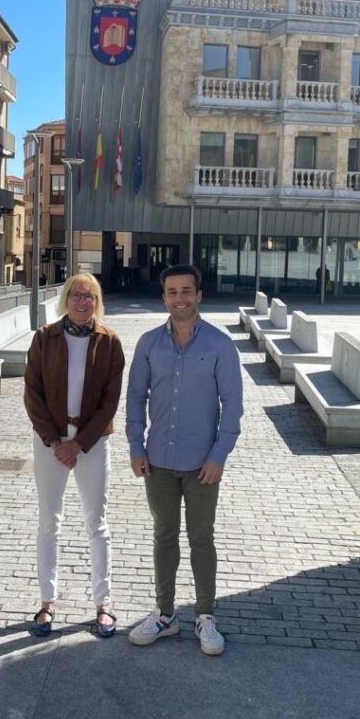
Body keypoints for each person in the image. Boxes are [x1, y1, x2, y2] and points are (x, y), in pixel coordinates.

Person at [126, 264, 243, 655]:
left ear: (199, 295)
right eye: (172, 292)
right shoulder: (148, 344)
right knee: (164, 535)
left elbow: (233, 405)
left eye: (186, 291)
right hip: (157, 460)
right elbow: (135, 397)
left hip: (202, 464)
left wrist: (219, 455)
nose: (180, 298)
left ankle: (205, 616)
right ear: (164, 298)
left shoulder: (220, 345)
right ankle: (165, 615)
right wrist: (136, 446)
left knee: (201, 538)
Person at [24, 272, 124, 638]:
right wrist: (55, 442)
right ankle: (47, 602)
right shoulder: (44, 338)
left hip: (92, 444)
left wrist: (79, 443)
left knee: (97, 523)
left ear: (98, 303)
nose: (83, 302)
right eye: (77, 295)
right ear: (66, 298)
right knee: (49, 522)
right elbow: (32, 394)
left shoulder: (109, 342)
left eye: (90, 296)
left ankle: (103, 603)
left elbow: (110, 401)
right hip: (50, 443)